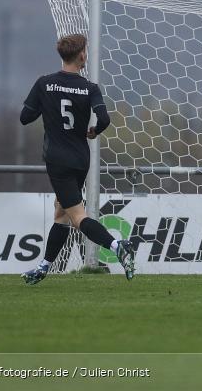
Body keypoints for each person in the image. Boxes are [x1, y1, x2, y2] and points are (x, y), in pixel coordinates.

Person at [19, 33, 135, 284]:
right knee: (61, 214)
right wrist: (94, 131)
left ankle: (117, 246)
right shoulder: (89, 88)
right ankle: (43, 267)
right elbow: (104, 119)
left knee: (77, 216)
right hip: (81, 159)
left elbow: (25, 117)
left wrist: (46, 106)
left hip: (57, 160)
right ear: (82, 55)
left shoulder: (44, 83)